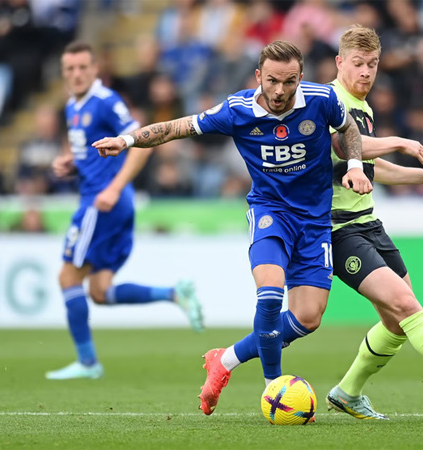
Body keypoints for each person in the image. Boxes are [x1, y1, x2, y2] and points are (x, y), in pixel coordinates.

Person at [182, 27, 423, 419]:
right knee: (406, 307)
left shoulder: (363, 106)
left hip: (368, 222)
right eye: (357, 64)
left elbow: (369, 168)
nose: (366, 73)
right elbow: (341, 147)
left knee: (393, 321)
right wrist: (399, 140)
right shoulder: (322, 100)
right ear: (339, 63)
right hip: (337, 226)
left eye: (373, 65)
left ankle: (344, 391)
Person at [93, 40, 372, 415]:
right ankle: (273, 385)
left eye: (289, 82)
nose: (279, 91)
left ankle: (224, 361)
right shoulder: (236, 109)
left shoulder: (322, 99)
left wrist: (354, 165)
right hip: (270, 213)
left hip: (314, 222)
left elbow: (348, 128)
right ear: (259, 76)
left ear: (300, 78)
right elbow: (178, 127)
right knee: (270, 295)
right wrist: (126, 140)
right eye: (272, 80)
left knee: (308, 318)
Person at [47, 42, 204, 381]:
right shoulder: (73, 107)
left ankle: (88, 363)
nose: (75, 74)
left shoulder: (105, 101)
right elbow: (97, 153)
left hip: (102, 202)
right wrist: (74, 163)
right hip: (110, 202)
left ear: (94, 70)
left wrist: (114, 188)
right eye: (69, 69)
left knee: (67, 277)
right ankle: (174, 294)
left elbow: (140, 145)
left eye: (82, 68)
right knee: (100, 291)